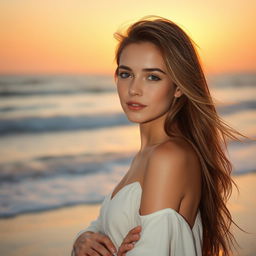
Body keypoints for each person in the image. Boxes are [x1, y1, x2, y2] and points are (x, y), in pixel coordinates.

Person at [72, 15, 247, 256]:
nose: (134, 89)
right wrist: (82, 240)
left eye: (152, 76)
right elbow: (103, 230)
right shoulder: (147, 154)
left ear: (178, 87)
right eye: (126, 74)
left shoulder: (168, 156)